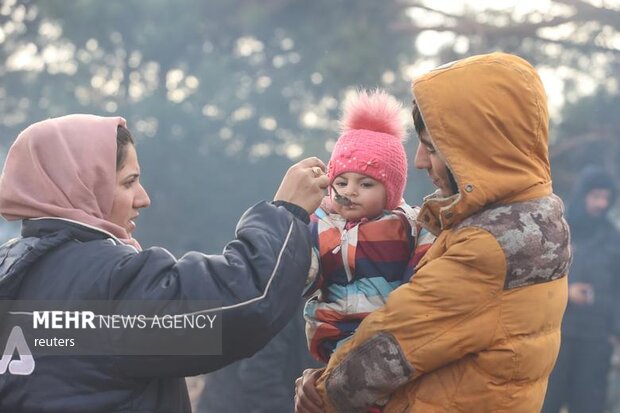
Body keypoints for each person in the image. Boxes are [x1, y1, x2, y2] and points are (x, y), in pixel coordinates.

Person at [295, 52, 572, 413]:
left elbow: (391, 346)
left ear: (476, 149)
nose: (420, 161)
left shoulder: (492, 245)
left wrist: (322, 392)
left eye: (432, 147)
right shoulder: (525, 220)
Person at [0, 114, 329, 412]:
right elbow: (242, 304)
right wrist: (286, 212)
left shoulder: (9, 268)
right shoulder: (107, 282)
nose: (144, 198)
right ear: (85, 185)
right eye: (129, 182)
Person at [303, 90, 434, 371]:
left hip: (385, 332)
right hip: (334, 331)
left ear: (390, 192)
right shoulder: (320, 222)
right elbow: (304, 274)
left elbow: (426, 266)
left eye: (366, 184)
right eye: (341, 182)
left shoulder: (406, 225)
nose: (351, 191)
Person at [542, 165, 620, 413]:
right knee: (547, 402)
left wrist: (615, 332)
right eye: (596, 196)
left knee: (589, 405)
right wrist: (566, 292)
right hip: (557, 335)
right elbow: (538, 280)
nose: (601, 203)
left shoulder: (612, 237)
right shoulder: (560, 231)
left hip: (596, 340)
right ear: (583, 194)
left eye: (606, 198)